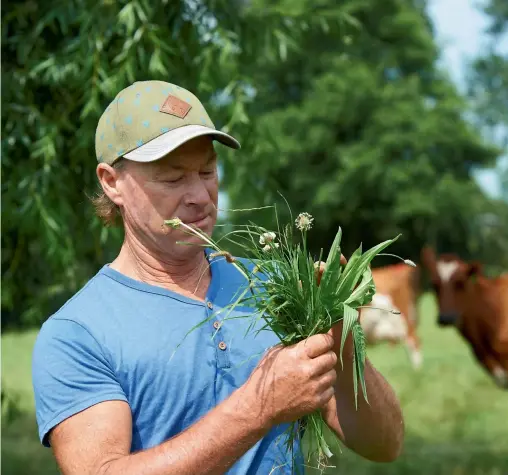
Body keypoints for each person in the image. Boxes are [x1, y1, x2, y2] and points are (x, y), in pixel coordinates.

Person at [31, 79, 404, 475]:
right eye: (173, 179)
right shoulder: (78, 333)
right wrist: (259, 407)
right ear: (111, 182)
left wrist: (343, 348)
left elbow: (386, 445)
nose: (200, 195)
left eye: (207, 171)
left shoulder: (276, 286)